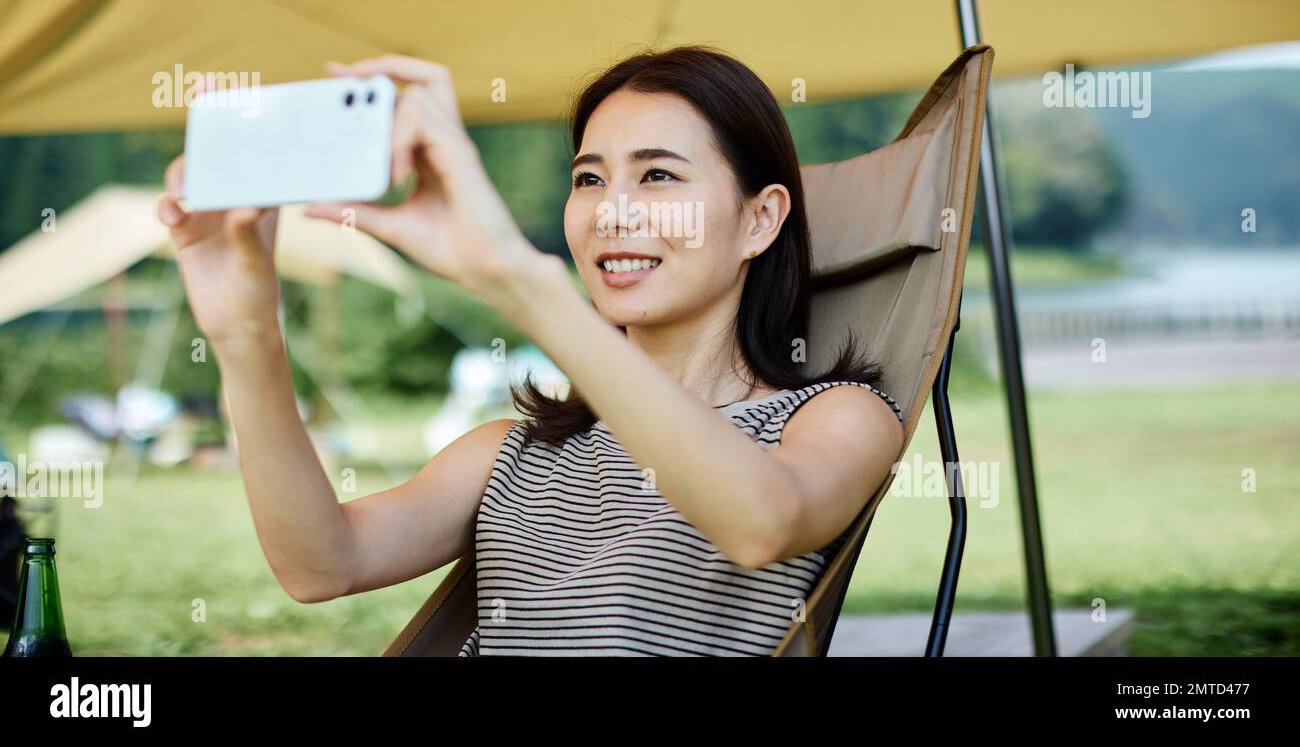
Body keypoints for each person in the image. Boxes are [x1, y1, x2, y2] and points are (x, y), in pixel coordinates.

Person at [156, 46, 906, 656]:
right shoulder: (514, 454)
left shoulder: (834, 417)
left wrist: (517, 278)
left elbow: (761, 522)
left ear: (760, 219)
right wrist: (244, 334)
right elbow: (319, 564)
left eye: (657, 175)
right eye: (589, 178)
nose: (611, 212)